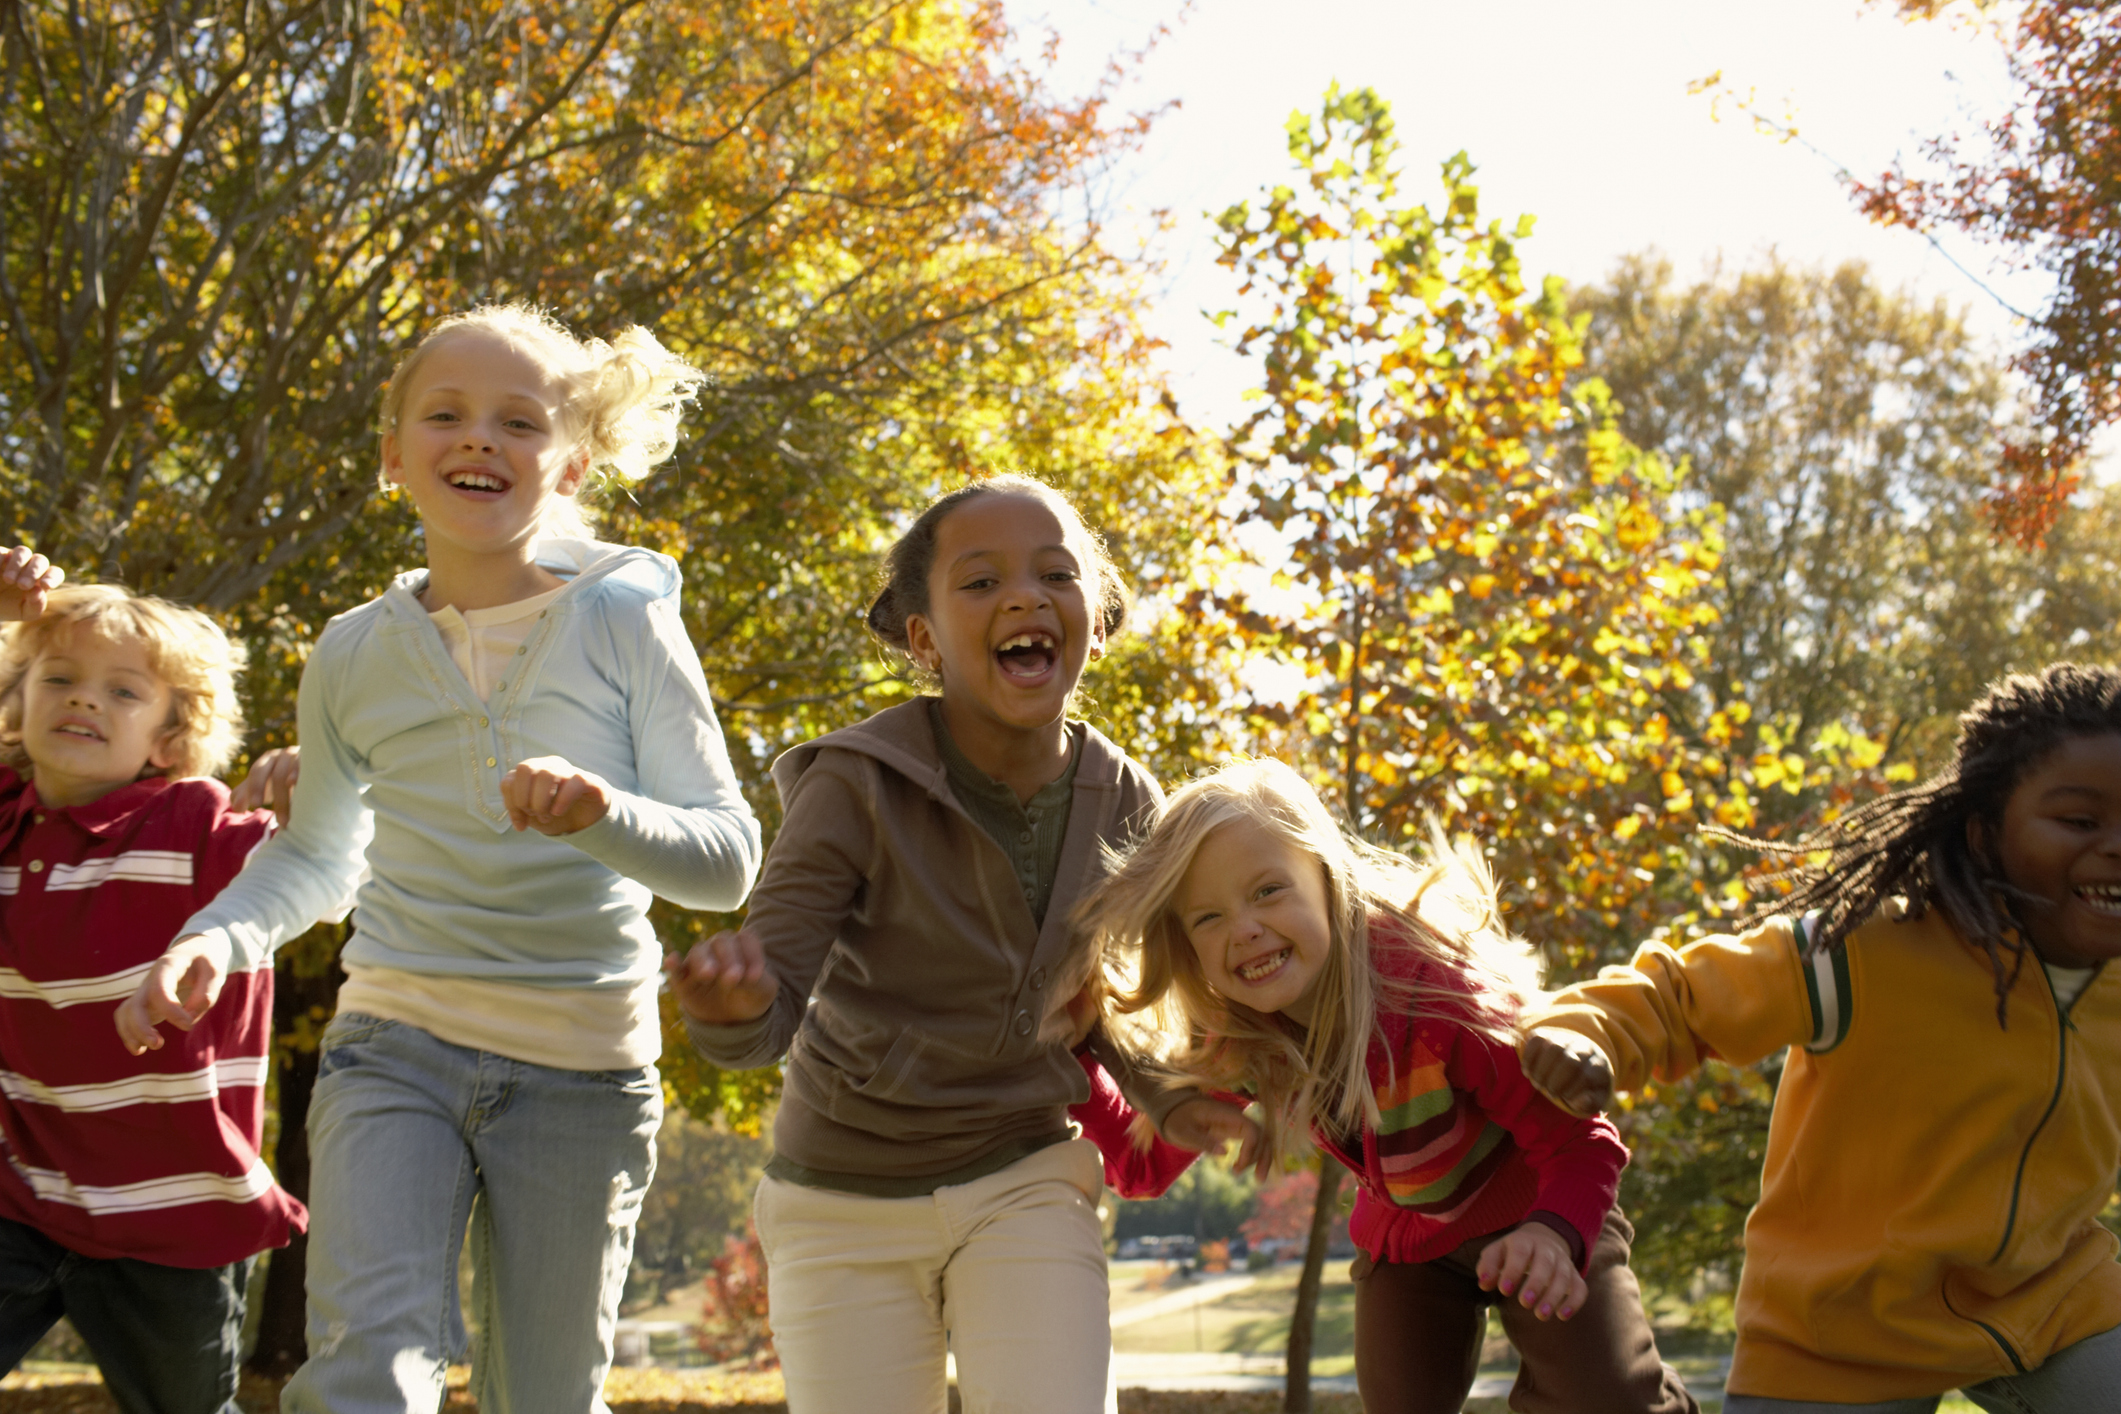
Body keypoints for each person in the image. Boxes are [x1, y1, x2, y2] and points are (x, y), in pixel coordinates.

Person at [113, 304, 762, 1414]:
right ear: (393, 454)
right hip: (395, 1043)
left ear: (571, 465)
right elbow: (318, 856)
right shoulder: (354, 652)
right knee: (366, 1371)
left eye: (520, 420)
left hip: (583, 1064)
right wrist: (213, 937)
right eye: (446, 414)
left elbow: (724, 860)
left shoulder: (624, 620)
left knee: (545, 1397)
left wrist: (602, 814)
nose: (480, 438)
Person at [668, 475, 1251, 1414]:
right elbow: (763, 1018)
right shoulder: (854, 783)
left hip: (1023, 1171)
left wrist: (1165, 1099)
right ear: (924, 641)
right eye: (980, 583)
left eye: (1054, 574)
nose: (1023, 596)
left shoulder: (1128, 800)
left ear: (1093, 623)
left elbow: (1090, 1000)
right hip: (841, 1197)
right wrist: (729, 1004)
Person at [1520, 662, 2121, 1414]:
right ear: (1984, 833)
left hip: (2053, 1304)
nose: (2115, 846)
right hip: (1838, 1330)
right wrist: (1583, 1031)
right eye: (2079, 821)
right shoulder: (1862, 951)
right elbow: (1680, 996)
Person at [1078, 757, 1697, 1414]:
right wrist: (1071, 1056)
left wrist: (1552, 1233)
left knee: (1610, 1401)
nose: (1244, 929)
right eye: (1207, 917)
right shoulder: (1243, 1035)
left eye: (1266, 891)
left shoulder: (1434, 997)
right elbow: (1140, 1164)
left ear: (1326, 877)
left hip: (1541, 1203)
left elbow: (1583, 1143)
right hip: (1411, 1245)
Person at [0, 553, 304, 1414]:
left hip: (176, 1216)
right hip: (22, 1193)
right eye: (58, 677)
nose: (84, 698)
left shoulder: (195, 823)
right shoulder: (8, 819)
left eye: (124, 692)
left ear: (169, 739)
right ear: (18, 706)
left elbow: (324, 860)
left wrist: (309, 788)